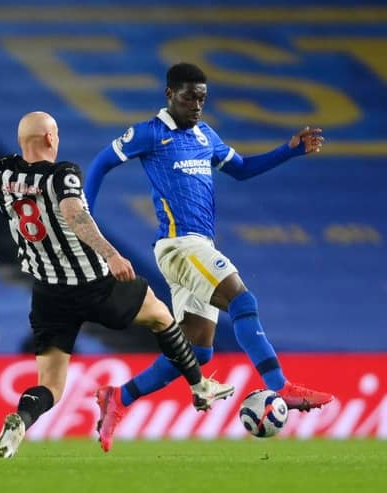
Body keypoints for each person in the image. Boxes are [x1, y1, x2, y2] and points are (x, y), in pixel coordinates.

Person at [0, 110, 234, 457]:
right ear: (50, 137)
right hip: (93, 284)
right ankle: (200, 387)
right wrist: (111, 254)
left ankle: (19, 423)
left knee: (52, 386)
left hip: (47, 294)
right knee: (161, 317)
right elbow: (75, 216)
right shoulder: (63, 174)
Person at [85, 62, 334, 414]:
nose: (197, 105)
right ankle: (281, 387)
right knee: (243, 302)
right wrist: (86, 219)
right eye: (189, 98)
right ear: (170, 94)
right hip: (180, 246)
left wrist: (289, 150)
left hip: (198, 248)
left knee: (198, 350)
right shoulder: (150, 133)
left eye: (202, 99)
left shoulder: (206, 136)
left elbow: (242, 169)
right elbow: (100, 164)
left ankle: (119, 398)